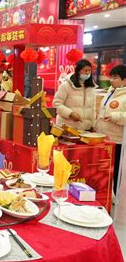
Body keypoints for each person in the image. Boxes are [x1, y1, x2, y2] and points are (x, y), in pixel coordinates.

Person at [95, 65, 126, 194]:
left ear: (124, 80)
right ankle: (105, 195)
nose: (111, 81)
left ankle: (118, 198)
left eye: (115, 78)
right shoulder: (111, 92)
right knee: (104, 170)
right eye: (111, 77)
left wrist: (114, 116)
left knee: (117, 172)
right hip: (104, 138)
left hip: (118, 140)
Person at [53, 59, 96, 131]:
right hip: (67, 128)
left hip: (85, 129)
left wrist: (93, 125)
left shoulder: (91, 87)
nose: (88, 73)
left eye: (89, 71)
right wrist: (70, 114)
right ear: (78, 71)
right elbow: (56, 103)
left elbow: (93, 108)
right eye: (85, 70)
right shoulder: (66, 85)